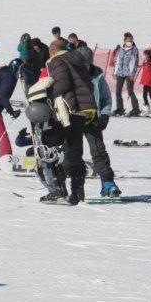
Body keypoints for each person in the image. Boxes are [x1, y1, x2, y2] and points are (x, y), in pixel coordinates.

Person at [44, 39, 98, 205]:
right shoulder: (77, 61)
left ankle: (58, 189)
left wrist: (46, 92)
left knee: (50, 145)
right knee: (75, 152)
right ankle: (77, 192)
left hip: (68, 110)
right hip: (82, 111)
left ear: (53, 50)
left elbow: (63, 83)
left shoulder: (58, 61)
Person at [76, 45, 122, 198]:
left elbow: (105, 99)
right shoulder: (69, 74)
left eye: (86, 65)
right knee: (71, 153)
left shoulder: (97, 77)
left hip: (92, 119)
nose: (83, 68)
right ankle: (67, 185)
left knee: (98, 151)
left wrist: (104, 116)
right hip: (73, 118)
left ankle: (108, 182)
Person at [112, 32, 140, 117]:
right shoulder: (120, 49)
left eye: (131, 40)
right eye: (128, 40)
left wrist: (133, 73)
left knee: (130, 91)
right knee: (117, 91)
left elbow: (135, 62)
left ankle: (136, 109)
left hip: (129, 73)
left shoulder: (134, 50)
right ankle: (120, 108)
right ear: (124, 40)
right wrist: (115, 72)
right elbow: (117, 61)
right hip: (120, 72)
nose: (130, 42)